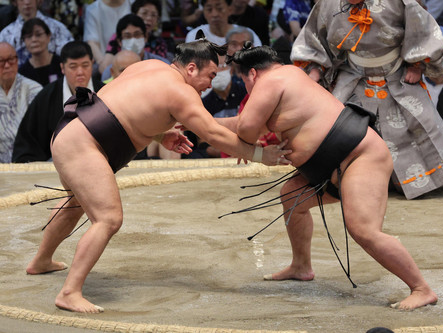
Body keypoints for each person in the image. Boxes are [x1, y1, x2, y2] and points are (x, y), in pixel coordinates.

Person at [24, 38, 291, 313]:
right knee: (108, 218)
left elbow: (121, 108)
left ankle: (41, 261)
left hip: (69, 132)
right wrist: (260, 156)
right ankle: (69, 292)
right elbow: (212, 132)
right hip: (85, 145)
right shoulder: (180, 92)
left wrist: (161, 134)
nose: (211, 83)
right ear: (191, 69)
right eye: (211, 75)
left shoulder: (150, 66)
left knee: (75, 203)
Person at [221, 44, 439, 310]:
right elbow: (243, 124)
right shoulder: (288, 78)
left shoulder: (272, 79)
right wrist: (194, 121)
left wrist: (246, 146)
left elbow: (245, 129)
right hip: (329, 165)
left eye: (243, 81)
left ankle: (421, 288)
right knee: (292, 197)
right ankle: (301, 266)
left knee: (363, 230)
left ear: (252, 74)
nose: (247, 89)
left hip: (359, 156)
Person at [290, 0, 443, 199]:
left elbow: (421, 28)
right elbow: (314, 36)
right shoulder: (328, 4)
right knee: (334, 126)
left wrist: (416, 64)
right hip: (353, 76)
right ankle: (346, 179)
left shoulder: (398, 2)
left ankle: (418, 180)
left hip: (395, 73)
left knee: (420, 121)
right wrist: (314, 67)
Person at [12, 41, 104, 162]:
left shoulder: (106, 92)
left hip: (101, 160)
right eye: (73, 66)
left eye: (85, 65)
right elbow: (28, 144)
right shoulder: (47, 97)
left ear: (92, 64)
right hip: (57, 165)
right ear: (62, 68)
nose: (80, 72)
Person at [0, 42, 41, 162]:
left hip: (27, 160)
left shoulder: (34, 89)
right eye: (1, 61)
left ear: (17, 60)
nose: (7, 65)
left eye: (11, 59)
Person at [0, 0, 73, 66]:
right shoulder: (6, 34)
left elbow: (71, 57)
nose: (27, 2)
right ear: (15, 2)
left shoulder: (57, 28)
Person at [100, 14, 170, 81]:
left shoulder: (162, 65)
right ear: (119, 41)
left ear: (145, 37)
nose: (133, 40)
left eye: (137, 34)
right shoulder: (110, 72)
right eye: (127, 36)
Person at [184, 0, 262, 46]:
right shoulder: (194, 36)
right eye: (209, 9)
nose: (214, 14)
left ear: (230, 10)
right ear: (203, 12)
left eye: (220, 9)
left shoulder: (247, 34)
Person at [83, 0, 132, 67]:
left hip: (133, 62)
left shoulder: (133, 4)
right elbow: (92, 42)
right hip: (105, 63)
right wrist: (103, 64)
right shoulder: (93, 9)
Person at [18, 18, 63, 86]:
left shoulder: (62, 64)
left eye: (38, 35)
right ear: (24, 41)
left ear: (48, 36)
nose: (34, 40)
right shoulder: (22, 74)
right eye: (29, 36)